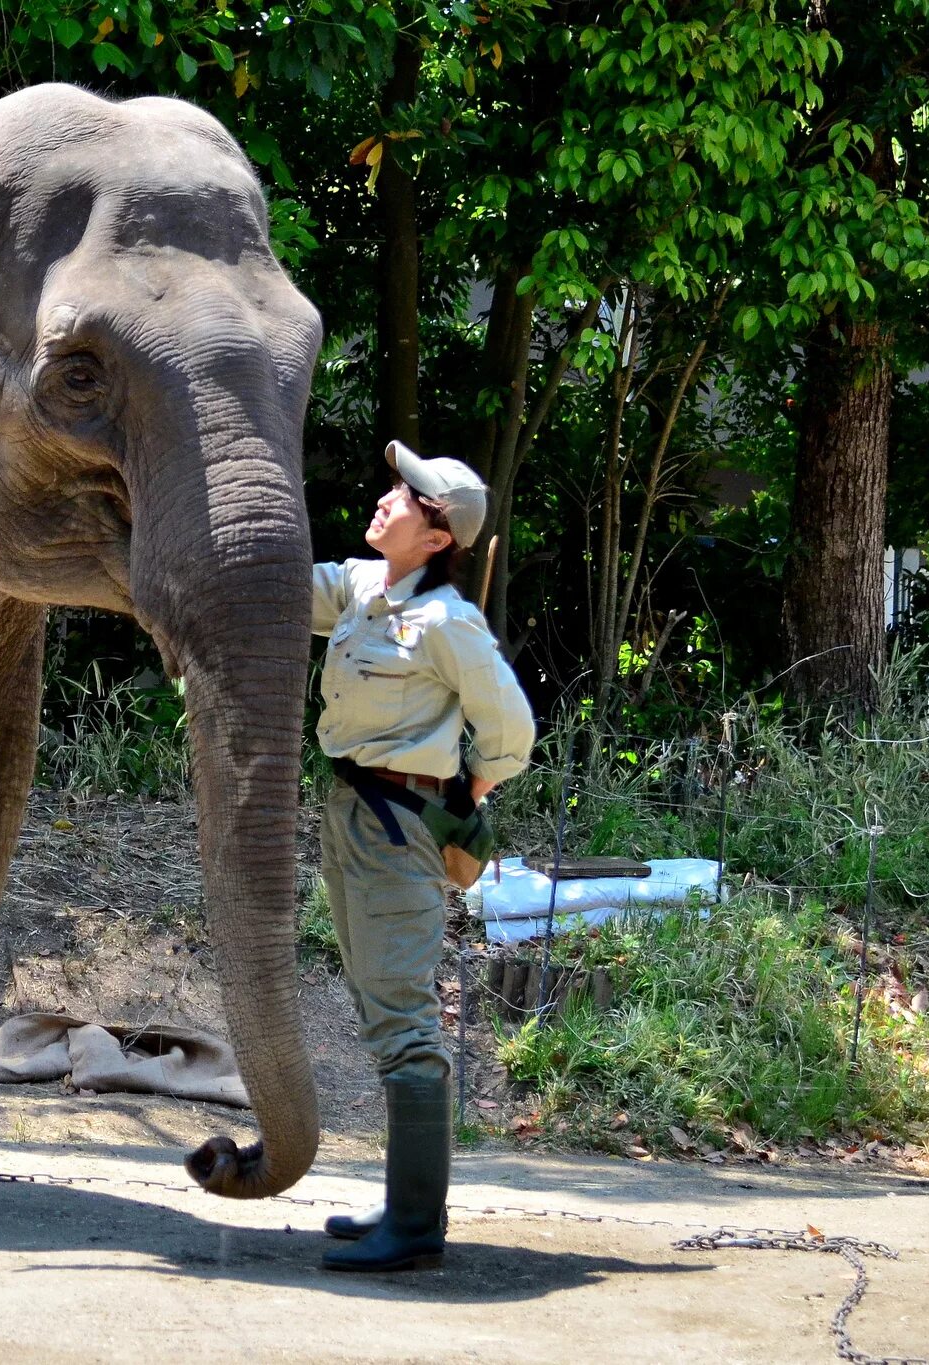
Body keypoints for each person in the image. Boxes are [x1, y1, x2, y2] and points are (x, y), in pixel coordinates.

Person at [310, 440, 535, 1273]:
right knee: (380, 1004)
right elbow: (280, 586)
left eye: (407, 496)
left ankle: (413, 1225)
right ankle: (410, 1197)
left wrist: (469, 790)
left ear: (438, 537)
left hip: (399, 823)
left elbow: (512, 730)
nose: (387, 497)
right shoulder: (362, 588)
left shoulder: (448, 622)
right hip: (348, 808)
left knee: (403, 1016)